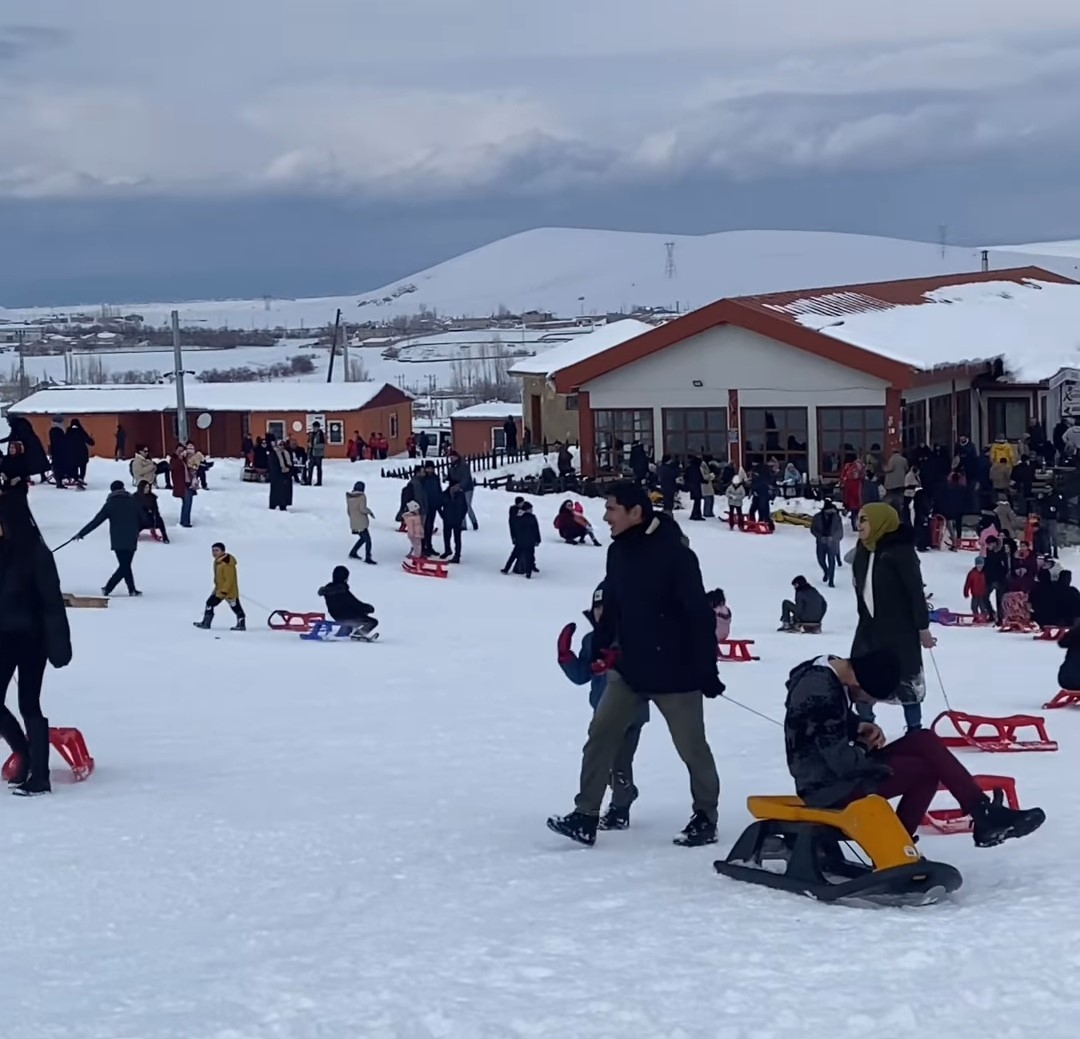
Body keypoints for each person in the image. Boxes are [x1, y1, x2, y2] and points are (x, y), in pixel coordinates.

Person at [547, 482, 723, 848]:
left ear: (635, 513)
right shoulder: (618, 552)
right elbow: (612, 605)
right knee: (600, 736)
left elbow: (698, 615)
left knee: (692, 748)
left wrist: (707, 669)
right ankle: (585, 816)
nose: (605, 516)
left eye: (611, 509)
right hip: (629, 670)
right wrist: (599, 645)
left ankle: (706, 815)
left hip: (677, 673)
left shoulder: (676, 556)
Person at [784, 648, 1045, 845]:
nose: (869, 704)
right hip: (827, 786)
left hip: (838, 771)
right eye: (870, 698)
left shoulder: (828, 669)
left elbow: (819, 723)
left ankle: (983, 813)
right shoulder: (819, 689)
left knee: (923, 739)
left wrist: (856, 727)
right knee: (924, 771)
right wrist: (863, 744)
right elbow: (840, 761)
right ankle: (895, 844)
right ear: (858, 683)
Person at [557, 583, 649, 829]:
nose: (600, 613)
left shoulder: (633, 638)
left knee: (619, 762)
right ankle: (624, 795)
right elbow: (581, 676)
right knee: (602, 762)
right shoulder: (592, 640)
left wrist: (614, 664)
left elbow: (646, 672)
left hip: (632, 713)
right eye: (597, 607)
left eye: (606, 608)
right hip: (601, 712)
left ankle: (620, 807)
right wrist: (566, 656)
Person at [0, 485, 72, 795]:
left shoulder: (28, 553)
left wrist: (58, 645)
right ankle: (29, 759)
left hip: (24, 639)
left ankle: (37, 770)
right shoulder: (18, 551)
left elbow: (52, 602)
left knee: (29, 703)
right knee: (22, 703)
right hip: (17, 639)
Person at [850, 503, 932, 730]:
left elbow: (915, 592)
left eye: (865, 520)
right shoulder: (864, 550)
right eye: (859, 519)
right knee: (861, 678)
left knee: (906, 679)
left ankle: (914, 731)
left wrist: (922, 628)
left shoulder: (901, 551)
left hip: (899, 631)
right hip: (868, 628)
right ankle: (866, 725)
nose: (859, 524)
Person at [74, 479, 143, 597]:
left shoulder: (110, 504)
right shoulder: (133, 501)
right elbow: (143, 517)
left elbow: (96, 521)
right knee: (125, 565)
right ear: (123, 488)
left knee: (124, 564)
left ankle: (118, 589)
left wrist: (81, 533)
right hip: (132, 537)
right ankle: (120, 589)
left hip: (117, 539)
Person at [193, 543, 246, 631]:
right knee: (211, 603)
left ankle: (207, 623)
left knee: (214, 604)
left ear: (223, 551)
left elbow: (229, 579)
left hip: (227, 592)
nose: (214, 553)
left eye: (217, 550)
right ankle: (205, 622)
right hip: (219, 590)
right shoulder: (218, 562)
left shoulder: (226, 563)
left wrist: (224, 591)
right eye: (213, 550)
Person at [317, 565, 378, 640]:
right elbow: (353, 603)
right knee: (373, 622)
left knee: (356, 618)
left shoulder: (329, 588)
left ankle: (343, 633)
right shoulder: (342, 590)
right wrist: (367, 607)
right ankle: (358, 634)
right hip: (347, 616)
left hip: (336, 615)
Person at [810, 500, 844, 586]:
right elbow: (813, 529)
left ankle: (831, 581)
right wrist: (819, 537)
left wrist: (833, 538)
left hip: (832, 543)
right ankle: (826, 571)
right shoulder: (817, 517)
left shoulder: (837, 518)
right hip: (821, 542)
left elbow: (839, 530)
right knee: (821, 560)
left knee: (831, 561)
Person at [346, 480, 376, 564]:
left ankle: (353, 552)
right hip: (361, 522)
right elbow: (362, 509)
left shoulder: (349, 497)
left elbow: (348, 511)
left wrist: (353, 519)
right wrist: (369, 512)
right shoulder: (362, 497)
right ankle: (368, 557)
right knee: (368, 540)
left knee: (363, 538)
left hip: (354, 522)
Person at [439, 481, 468, 563]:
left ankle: (457, 555)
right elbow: (439, 504)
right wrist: (443, 515)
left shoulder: (461, 495)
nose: (459, 488)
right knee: (447, 536)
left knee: (457, 538)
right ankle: (447, 550)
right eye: (457, 486)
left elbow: (465, 507)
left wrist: (461, 517)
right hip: (447, 518)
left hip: (457, 520)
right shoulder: (445, 494)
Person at [170, 444, 197, 527]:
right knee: (187, 502)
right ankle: (185, 522)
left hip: (188, 483)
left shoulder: (185, 460)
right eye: (179, 451)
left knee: (188, 503)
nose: (181, 452)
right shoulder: (174, 460)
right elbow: (174, 468)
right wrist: (179, 458)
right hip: (181, 484)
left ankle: (185, 520)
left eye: (182, 450)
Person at [513, 500, 541, 578]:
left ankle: (528, 570)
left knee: (529, 556)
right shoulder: (521, 517)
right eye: (530, 509)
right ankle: (526, 570)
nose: (532, 510)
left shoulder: (531, 517)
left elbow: (536, 529)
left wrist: (538, 539)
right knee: (526, 555)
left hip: (528, 540)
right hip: (526, 540)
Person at [963, 556, 992, 621]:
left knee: (982, 606)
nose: (980, 568)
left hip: (983, 594)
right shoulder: (972, 573)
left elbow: (988, 582)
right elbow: (968, 583)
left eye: (981, 566)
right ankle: (976, 616)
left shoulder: (985, 573)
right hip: (975, 594)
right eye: (978, 566)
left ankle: (984, 616)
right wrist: (966, 592)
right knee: (974, 606)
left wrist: (988, 590)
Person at [501, 496, 525, 574]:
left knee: (523, 551)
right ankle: (508, 568)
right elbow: (513, 523)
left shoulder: (521, 510)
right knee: (516, 552)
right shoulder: (514, 511)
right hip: (518, 535)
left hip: (522, 535)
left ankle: (517, 567)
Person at [308, 421, 326, 487]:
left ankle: (319, 481)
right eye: (313, 427)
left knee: (318, 468)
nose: (314, 428)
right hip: (311, 453)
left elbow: (322, 445)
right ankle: (309, 481)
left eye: (315, 427)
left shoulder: (321, 434)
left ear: (318, 427)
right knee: (310, 468)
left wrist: (313, 446)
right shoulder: (311, 434)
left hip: (318, 454)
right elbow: (309, 442)